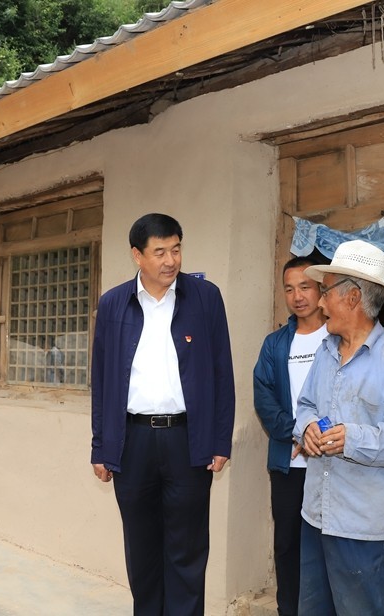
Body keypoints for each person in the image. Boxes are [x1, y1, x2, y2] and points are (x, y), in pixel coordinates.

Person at [90, 213, 235, 616]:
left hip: (187, 438)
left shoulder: (205, 298)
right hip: (132, 440)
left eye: (176, 249)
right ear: (137, 255)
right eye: (159, 252)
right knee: (142, 548)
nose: (170, 260)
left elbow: (222, 372)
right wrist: (101, 446)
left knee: (187, 549)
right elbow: (101, 380)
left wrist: (220, 440)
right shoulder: (114, 303)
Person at [292, 239, 384, 616]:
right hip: (316, 514)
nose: (320, 303)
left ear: (352, 297)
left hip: (365, 525)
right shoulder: (325, 352)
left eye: (325, 292)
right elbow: (305, 406)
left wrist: (351, 439)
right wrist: (306, 427)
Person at [253, 255, 328, 616]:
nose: (297, 296)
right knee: (287, 545)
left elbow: (350, 396)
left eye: (305, 287)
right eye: (289, 288)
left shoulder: (338, 336)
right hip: (288, 462)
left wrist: (318, 436)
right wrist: (296, 432)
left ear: (321, 289)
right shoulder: (276, 344)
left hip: (332, 462)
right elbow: (264, 396)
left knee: (328, 545)